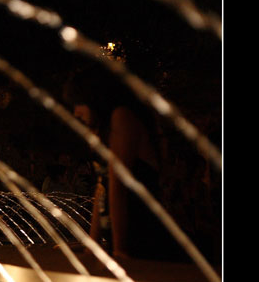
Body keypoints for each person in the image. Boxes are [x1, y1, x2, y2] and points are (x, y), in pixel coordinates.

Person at [64, 68, 185, 262]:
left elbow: (118, 186)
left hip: (143, 236)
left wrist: (121, 249)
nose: (75, 112)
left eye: (79, 103)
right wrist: (93, 246)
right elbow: (102, 189)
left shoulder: (122, 117)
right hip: (125, 237)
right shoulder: (105, 130)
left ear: (95, 98)